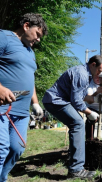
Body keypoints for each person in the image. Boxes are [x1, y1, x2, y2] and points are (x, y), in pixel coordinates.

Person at [0, 13, 47, 181]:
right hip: (2, 108)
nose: (39, 40)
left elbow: (29, 79)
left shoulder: (30, 52)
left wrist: (35, 103)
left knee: (17, 149)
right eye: (38, 34)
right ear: (26, 26)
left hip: (21, 112)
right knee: (1, 148)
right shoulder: (3, 37)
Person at [42, 55, 102, 179]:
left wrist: (96, 95)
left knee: (77, 124)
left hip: (58, 101)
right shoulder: (81, 74)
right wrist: (90, 112)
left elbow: (83, 97)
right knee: (77, 124)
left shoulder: (85, 75)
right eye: (99, 70)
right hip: (56, 101)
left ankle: (76, 166)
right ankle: (76, 169)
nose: (100, 73)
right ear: (93, 65)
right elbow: (76, 101)